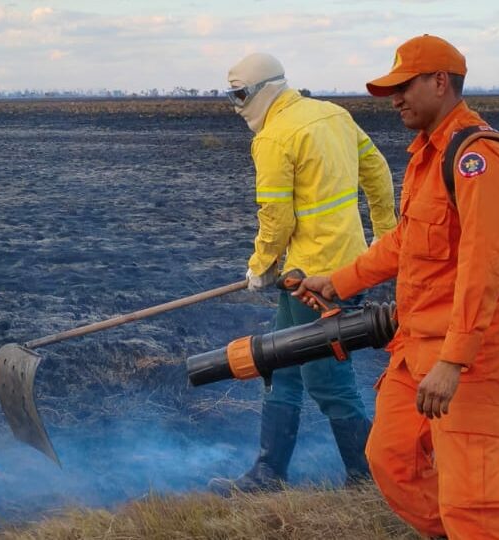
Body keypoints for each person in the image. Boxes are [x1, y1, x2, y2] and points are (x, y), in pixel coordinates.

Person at [293, 35, 499, 539]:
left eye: (403, 86)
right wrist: (338, 282)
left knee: (475, 502)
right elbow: (405, 241)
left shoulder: (477, 158)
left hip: (471, 360)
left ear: (440, 82)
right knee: (391, 459)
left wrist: (454, 361)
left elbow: (483, 265)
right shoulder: (428, 154)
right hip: (416, 348)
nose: (395, 99)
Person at [209, 53, 398, 495]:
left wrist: (260, 267)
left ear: (264, 90)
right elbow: (377, 172)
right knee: (280, 365)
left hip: (316, 284)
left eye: (240, 95)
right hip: (336, 270)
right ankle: (269, 473)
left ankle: (370, 480)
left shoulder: (274, 137)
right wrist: (384, 236)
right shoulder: (334, 115)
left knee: (329, 382)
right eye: (231, 97)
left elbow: (276, 218)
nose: (237, 107)